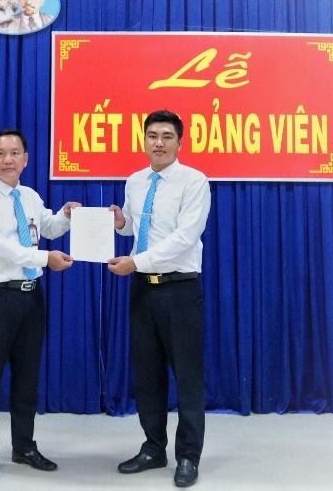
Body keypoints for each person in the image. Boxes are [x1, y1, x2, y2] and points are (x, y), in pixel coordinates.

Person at [0, 129, 81, 482]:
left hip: (31, 298)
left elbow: (47, 227)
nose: (8, 159)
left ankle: (24, 446)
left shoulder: (28, 196)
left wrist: (66, 215)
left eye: (15, 153)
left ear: (26, 160)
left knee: (27, 379)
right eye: (0, 153)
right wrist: (45, 258)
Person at [108, 110, 211, 488]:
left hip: (179, 288)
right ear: (144, 140)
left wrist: (136, 261)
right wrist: (120, 222)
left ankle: (188, 456)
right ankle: (153, 448)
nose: (159, 143)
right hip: (142, 289)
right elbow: (136, 229)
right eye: (152, 135)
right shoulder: (135, 181)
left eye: (167, 136)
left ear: (180, 142)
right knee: (147, 375)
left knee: (187, 376)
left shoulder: (194, 181)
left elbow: (185, 237)